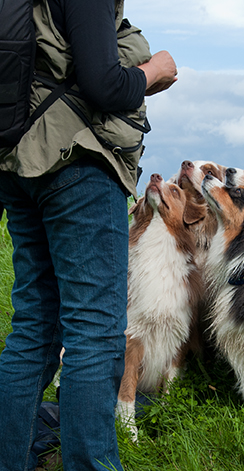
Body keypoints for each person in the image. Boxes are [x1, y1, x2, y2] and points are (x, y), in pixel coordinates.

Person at [0, 1, 177, 470]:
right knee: (94, 332)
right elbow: (105, 84)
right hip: (77, 161)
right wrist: (153, 70)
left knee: (35, 325)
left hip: (18, 160)